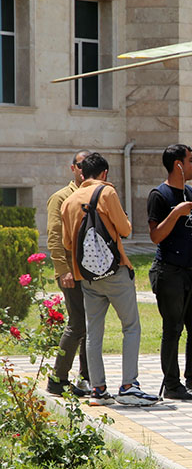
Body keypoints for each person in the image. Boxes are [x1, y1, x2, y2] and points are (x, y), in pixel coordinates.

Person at [60, 152, 158, 407]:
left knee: (93, 332)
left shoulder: (68, 201)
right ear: (104, 173)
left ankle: (98, 389)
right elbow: (125, 229)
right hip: (115, 272)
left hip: (87, 277)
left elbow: (67, 243)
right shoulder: (107, 192)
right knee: (131, 327)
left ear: (82, 173)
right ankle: (128, 386)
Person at [147, 144, 192, 401]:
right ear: (178, 165)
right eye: (190, 160)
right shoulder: (159, 195)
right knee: (173, 329)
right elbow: (156, 236)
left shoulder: (191, 192)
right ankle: (172, 385)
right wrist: (176, 213)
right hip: (169, 271)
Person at [46, 149, 93, 397]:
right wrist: (62, 270)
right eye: (80, 165)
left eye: (89, 164)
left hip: (90, 271)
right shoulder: (61, 197)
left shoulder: (96, 194)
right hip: (70, 272)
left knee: (90, 325)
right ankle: (58, 379)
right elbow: (54, 237)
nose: (84, 169)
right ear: (73, 168)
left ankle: (87, 378)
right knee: (77, 324)